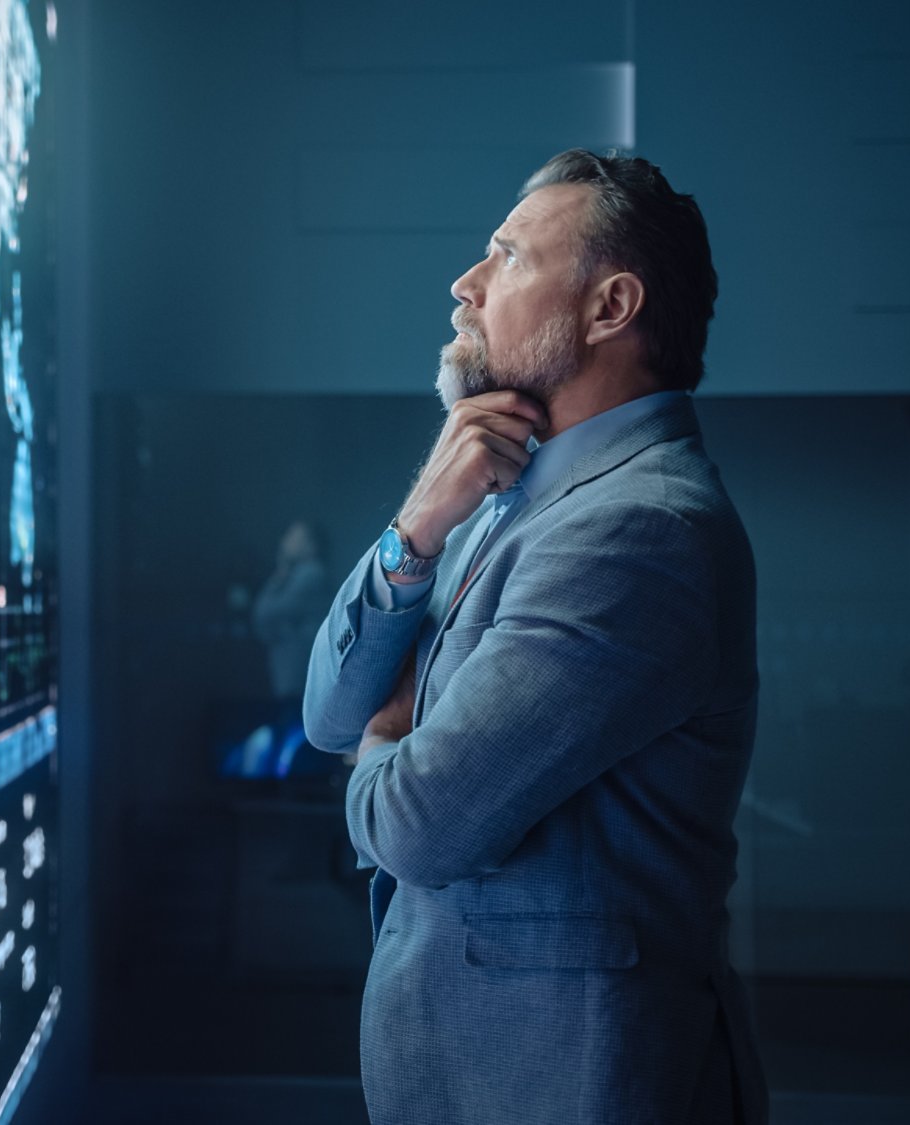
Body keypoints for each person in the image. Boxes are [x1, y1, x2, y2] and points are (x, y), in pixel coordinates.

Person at [303, 149, 764, 1124]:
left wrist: (389, 731)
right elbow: (328, 708)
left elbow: (414, 826)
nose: (463, 286)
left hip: (566, 1090)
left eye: (506, 257)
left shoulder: (637, 531)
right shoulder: (499, 497)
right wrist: (418, 521)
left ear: (608, 308)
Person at [252, 520, 329, 699]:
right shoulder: (297, 575)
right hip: (289, 672)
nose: (285, 541)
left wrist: (277, 578)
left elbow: (265, 614)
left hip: (297, 672)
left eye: (294, 536)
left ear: (312, 545)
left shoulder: (311, 574)